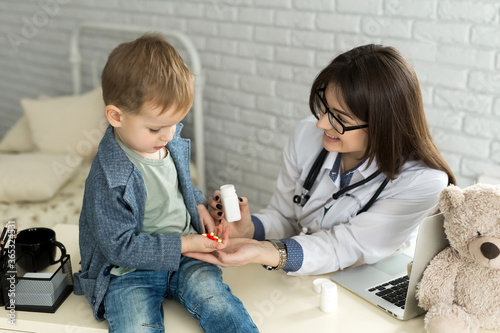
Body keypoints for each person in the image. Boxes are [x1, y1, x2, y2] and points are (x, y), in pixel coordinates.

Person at [186, 44, 456, 276]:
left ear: (382, 126)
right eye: (325, 107)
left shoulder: (423, 181)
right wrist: (248, 228)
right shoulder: (307, 135)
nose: (321, 123)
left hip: (372, 280)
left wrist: (267, 251)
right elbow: (285, 216)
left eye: (340, 118)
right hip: (313, 272)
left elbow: (345, 246)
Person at [73, 33, 258, 333]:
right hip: (130, 271)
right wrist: (185, 243)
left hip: (188, 257)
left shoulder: (167, 143)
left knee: (221, 306)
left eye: (175, 123)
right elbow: (119, 247)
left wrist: (200, 207)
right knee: (136, 326)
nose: (169, 135)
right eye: (157, 127)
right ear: (116, 116)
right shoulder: (109, 177)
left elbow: (177, 188)